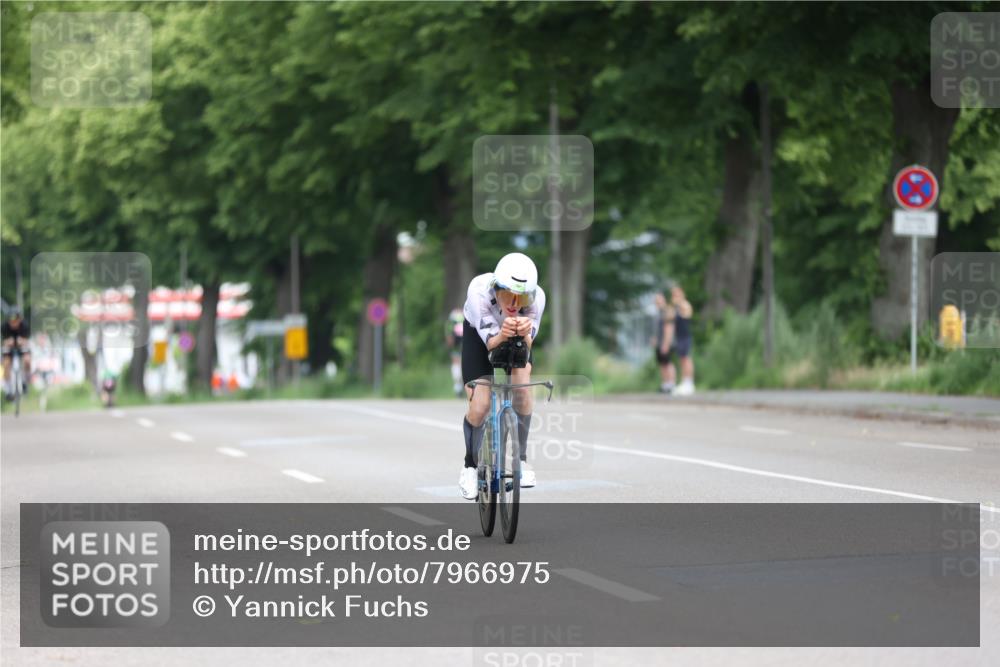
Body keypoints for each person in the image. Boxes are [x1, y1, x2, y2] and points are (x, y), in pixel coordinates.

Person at [458, 252, 546, 500]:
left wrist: (524, 333)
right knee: (481, 403)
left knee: (522, 388)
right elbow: (491, 344)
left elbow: (528, 345)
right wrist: (503, 333)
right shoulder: (478, 292)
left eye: (522, 296)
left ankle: (522, 460)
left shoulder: (537, 298)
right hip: (480, 336)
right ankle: (470, 466)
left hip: (515, 336)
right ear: (496, 287)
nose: (515, 303)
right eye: (508, 293)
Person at [669, 284, 696, 396]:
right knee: (681, 359)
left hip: (685, 336)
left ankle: (689, 382)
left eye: (677, 293)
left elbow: (687, 313)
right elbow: (669, 317)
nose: (675, 296)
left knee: (686, 358)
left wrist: (678, 303)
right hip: (678, 337)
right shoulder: (675, 307)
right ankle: (684, 381)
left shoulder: (685, 305)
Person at [2, 307, 32, 399]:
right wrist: (7, 342)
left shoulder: (25, 326)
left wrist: (21, 341)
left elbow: (28, 341)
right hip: (9, 349)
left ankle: (25, 381)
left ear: (19, 319)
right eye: (11, 320)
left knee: (27, 360)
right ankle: (8, 389)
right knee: (6, 364)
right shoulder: (4, 327)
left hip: (22, 347)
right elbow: (3, 342)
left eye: (15, 320)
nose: (13, 323)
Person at [653, 292, 675, 393]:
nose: (658, 302)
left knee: (668, 363)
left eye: (659, 299)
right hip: (659, 343)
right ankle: (665, 384)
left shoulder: (666, 312)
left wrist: (666, 343)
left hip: (665, 343)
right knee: (662, 364)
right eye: (656, 300)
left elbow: (669, 329)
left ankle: (671, 384)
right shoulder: (657, 313)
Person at [445, 308, 465, 396]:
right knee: (460, 365)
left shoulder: (451, 320)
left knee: (457, 364)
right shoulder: (463, 316)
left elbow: (449, 338)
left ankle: (458, 386)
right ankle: (460, 386)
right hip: (463, 345)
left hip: (457, 346)